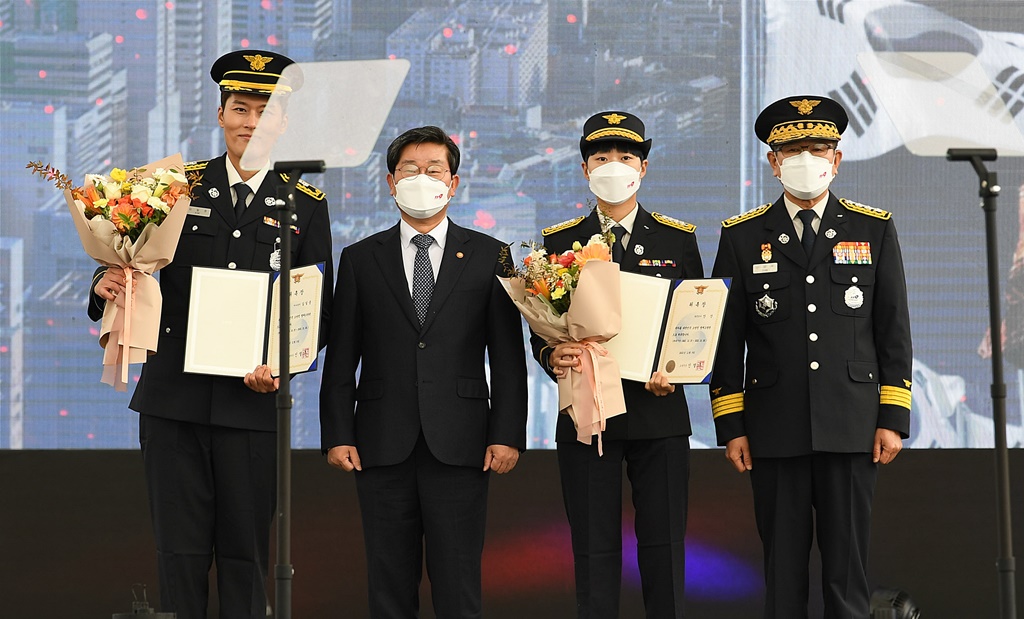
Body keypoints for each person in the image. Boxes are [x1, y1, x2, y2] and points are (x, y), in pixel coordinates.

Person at [89, 50, 333, 618]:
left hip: (253, 403)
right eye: (240, 108)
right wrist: (105, 282)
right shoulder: (173, 188)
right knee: (179, 551)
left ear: (284, 122)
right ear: (220, 114)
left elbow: (313, 307)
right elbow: (128, 265)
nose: (251, 122)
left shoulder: (304, 203)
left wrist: (281, 365)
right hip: (173, 399)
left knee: (246, 556)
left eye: (265, 111)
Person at [708, 95, 913, 618]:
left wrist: (892, 417)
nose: (806, 158)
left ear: (837, 159)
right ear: (773, 163)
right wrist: (732, 423)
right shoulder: (742, 235)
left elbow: (892, 331)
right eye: (791, 149)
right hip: (775, 429)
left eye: (817, 147)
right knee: (782, 572)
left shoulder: (873, 228)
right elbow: (726, 339)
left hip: (852, 424)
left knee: (848, 572)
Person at [319, 125, 528, 619]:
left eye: (434, 169)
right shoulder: (359, 258)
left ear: (453, 184)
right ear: (390, 182)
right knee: (389, 583)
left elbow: (507, 356)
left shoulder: (489, 254)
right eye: (410, 169)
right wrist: (337, 433)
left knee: (458, 583)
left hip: (462, 443)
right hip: (380, 442)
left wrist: (507, 434)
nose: (422, 177)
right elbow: (343, 355)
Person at [532, 111, 703, 618]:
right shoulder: (559, 241)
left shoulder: (678, 238)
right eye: (601, 158)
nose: (613, 166)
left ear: (644, 168)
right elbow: (542, 325)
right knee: (593, 547)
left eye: (625, 157)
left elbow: (695, 316)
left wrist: (678, 368)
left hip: (659, 411)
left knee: (665, 546)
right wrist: (551, 354)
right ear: (585, 170)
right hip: (590, 415)